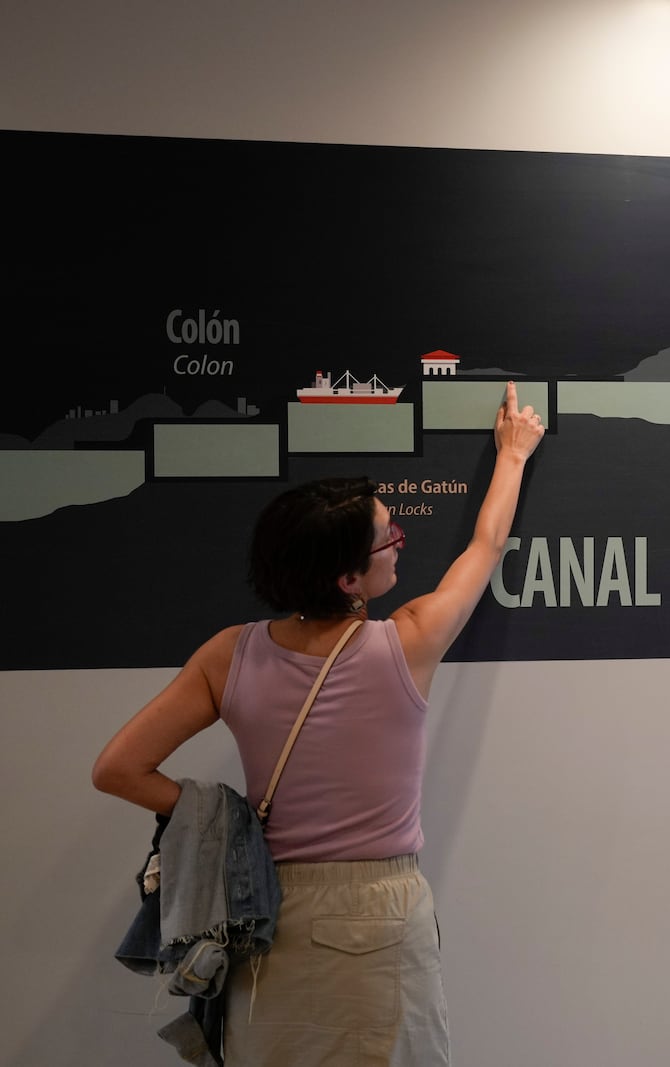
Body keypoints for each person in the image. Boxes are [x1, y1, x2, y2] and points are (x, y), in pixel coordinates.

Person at [93, 382, 545, 1065]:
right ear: (348, 579)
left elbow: (117, 769)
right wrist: (512, 454)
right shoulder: (408, 641)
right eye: (388, 536)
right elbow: (484, 546)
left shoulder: (229, 653)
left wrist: (222, 819)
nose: (400, 540)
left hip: (266, 912)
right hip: (381, 912)